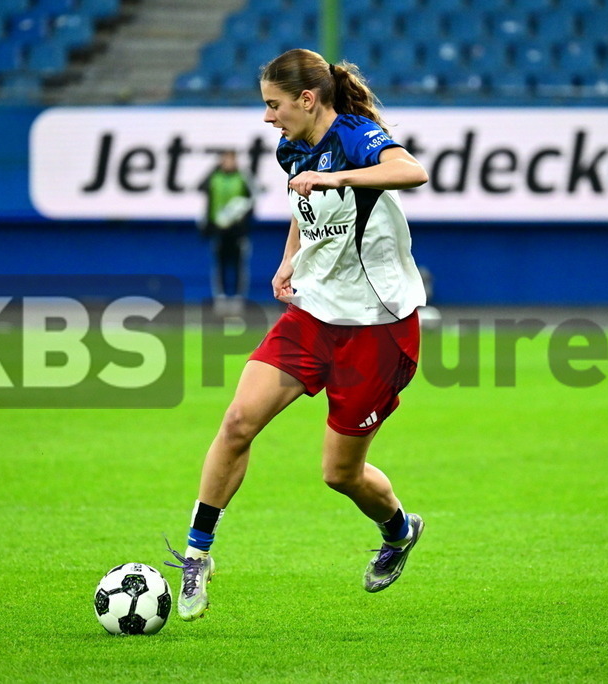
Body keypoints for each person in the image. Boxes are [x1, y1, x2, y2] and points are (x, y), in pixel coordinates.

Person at [167, 48, 429, 621]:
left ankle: (399, 528)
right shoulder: (292, 147)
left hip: (378, 328)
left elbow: (413, 171)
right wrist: (292, 258)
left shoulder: (358, 137)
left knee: (340, 474)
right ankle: (197, 555)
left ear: (307, 100)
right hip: (313, 316)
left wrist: (335, 175)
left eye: (273, 105)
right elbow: (303, 202)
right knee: (238, 421)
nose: (267, 117)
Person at [198, 149, 255, 315]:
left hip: (238, 231)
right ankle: (221, 298)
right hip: (219, 230)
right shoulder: (215, 177)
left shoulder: (242, 178)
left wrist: (244, 225)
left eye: (231, 159)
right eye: (225, 159)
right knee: (220, 265)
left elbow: (252, 199)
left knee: (239, 265)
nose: (228, 163)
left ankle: (237, 298)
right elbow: (201, 187)